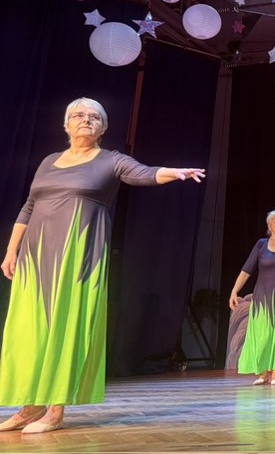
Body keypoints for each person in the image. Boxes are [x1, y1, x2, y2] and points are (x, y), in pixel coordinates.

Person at [0, 98, 205, 433]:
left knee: (66, 325)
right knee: (31, 328)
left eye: (94, 116)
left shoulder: (111, 160)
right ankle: (29, 406)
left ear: (103, 128)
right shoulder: (49, 161)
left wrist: (175, 172)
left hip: (78, 256)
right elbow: (29, 206)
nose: (86, 120)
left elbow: (145, 173)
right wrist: (12, 251)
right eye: (79, 115)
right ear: (66, 124)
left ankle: (55, 408)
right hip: (36, 256)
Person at [229, 210, 275, 386]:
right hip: (263, 297)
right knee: (263, 335)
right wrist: (234, 291)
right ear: (269, 225)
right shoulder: (261, 244)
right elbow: (246, 270)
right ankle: (263, 373)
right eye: (274, 220)